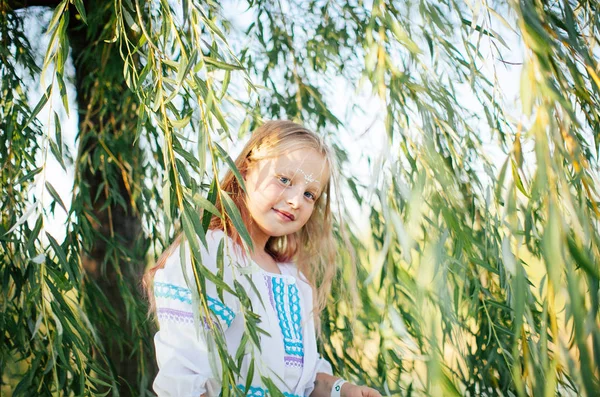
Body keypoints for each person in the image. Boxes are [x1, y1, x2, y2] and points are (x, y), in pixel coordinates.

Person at [145, 120, 382, 397]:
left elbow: (302, 381)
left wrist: (343, 390)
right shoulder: (209, 255)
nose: (296, 201)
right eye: (284, 180)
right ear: (244, 171)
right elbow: (183, 374)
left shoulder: (295, 279)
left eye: (309, 194)